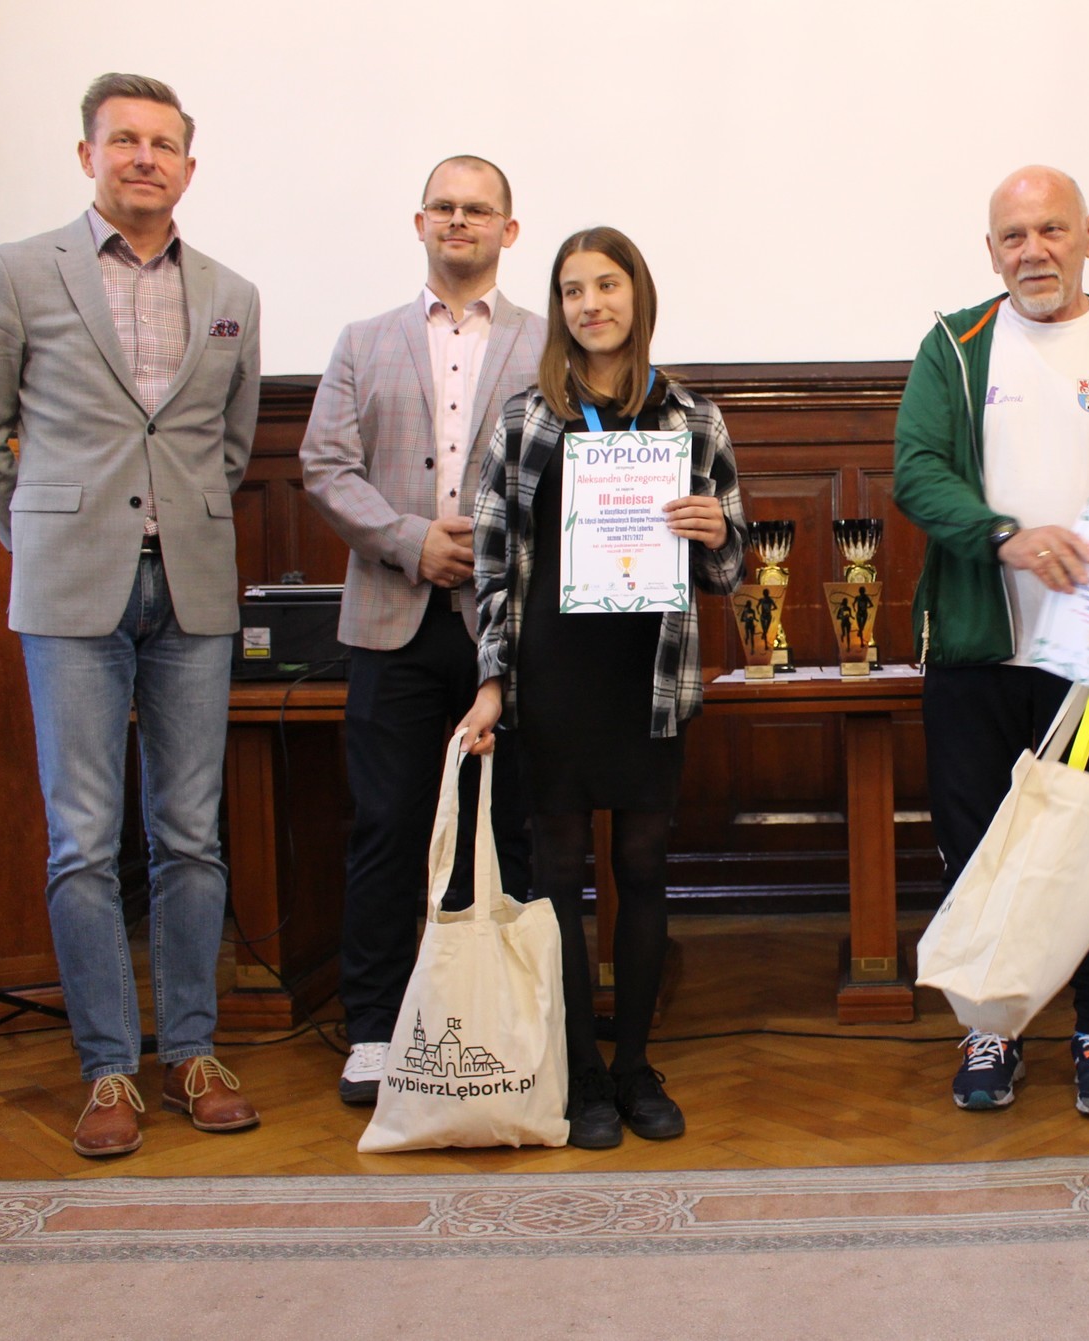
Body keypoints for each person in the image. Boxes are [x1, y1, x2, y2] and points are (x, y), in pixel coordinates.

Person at [0, 73, 262, 1157]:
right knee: (83, 838)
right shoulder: (19, 272)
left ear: (188, 167)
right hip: (72, 590)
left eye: (162, 144)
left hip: (195, 589)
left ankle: (193, 1051)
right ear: (88, 155)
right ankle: (109, 1067)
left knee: (190, 833)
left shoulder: (231, 291)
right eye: (123, 140)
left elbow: (228, 446)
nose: (143, 158)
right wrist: (45, 536)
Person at [893, 166, 1089, 1118]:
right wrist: (1006, 537)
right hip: (975, 653)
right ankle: (990, 1025)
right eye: (1014, 236)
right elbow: (917, 471)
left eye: (1052, 230)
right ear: (992, 251)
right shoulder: (955, 346)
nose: (1034, 251)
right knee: (975, 850)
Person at [458, 227, 747, 1148]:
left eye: (608, 285)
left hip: (648, 678)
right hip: (553, 678)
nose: (591, 304)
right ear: (559, 308)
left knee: (644, 869)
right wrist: (493, 680)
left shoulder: (693, 417)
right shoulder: (524, 418)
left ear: (638, 296)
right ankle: (580, 1071)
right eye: (573, 289)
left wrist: (716, 532)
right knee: (556, 878)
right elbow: (493, 564)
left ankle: (634, 1066)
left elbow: (731, 567)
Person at [299, 156, 544, 1105]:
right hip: (391, 620)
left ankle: (506, 1018)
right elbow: (325, 464)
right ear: (419, 223)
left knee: (508, 827)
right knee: (387, 827)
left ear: (508, 231)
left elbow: (570, 468)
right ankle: (373, 1028)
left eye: (478, 209)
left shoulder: (547, 342)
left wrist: (487, 551)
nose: (459, 221)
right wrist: (412, 541)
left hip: (507, 628)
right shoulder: (364, 341)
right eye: (443, 206)